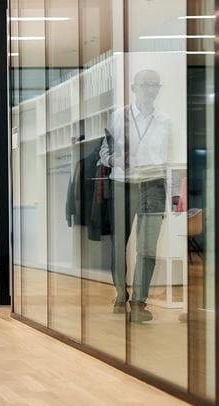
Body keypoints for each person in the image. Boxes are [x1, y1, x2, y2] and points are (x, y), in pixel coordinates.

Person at [100, 69, 172, 323]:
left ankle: (140, 301)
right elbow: (104, 151)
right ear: (133, 88)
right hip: (123, 184)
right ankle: (121, 294)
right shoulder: (119, 116)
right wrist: (115, 160)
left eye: (154, 85)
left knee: (148, 247)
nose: (150, 89)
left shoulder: (166, 120)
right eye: (145, 84)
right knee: (120, 243)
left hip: (154, 185)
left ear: (158, 89)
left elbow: (170, 158)